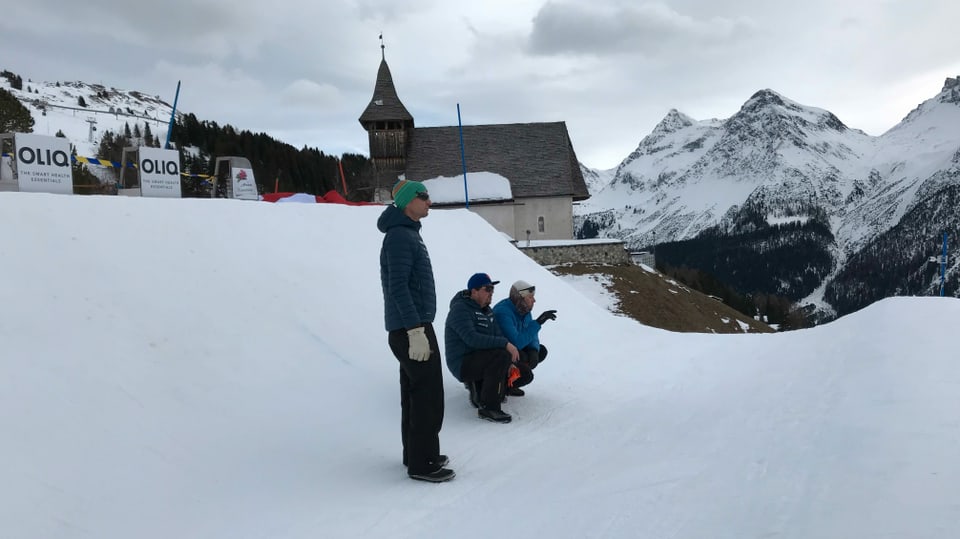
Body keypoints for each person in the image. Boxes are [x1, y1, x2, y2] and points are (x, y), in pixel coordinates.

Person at [378, 179, 454, 483]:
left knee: (415, 394)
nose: (429, 201)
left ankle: (417, 453)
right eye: (423, 196)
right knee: (428, 396)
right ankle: (423, 463)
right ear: (408, 201)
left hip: (413, 325)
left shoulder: (407, 234)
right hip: (412, 328)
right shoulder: (399, 237)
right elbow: (397, 287)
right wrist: (414, 330)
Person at [444, 273, 519, 423]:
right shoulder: (460, 310)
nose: (491, 293)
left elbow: (497, 334)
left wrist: (509, 358)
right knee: (501, 356)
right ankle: (489, 407)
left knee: (520, 369)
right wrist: (506, 345)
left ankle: (481, 389)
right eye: (488, 289)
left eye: (492, 289)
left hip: (479, 357)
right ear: (474, 291)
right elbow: (472, 339)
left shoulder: (487, 311)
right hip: (462, 362)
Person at [492, 280, 557, 397]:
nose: (534, 300)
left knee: (540, 351)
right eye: (530, 297)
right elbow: (516, 342)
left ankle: (511, 383)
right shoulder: (503, 312)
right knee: (523, 359)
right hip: (500, 352)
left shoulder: (524, 310)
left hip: (515, 348)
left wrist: (533, 349)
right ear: (520, 298)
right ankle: (501, 385)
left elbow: (530, 334)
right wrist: (538, 323)